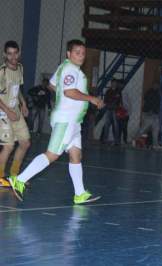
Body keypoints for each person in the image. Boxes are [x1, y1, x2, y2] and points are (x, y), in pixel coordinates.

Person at [8, 39, 104, 204]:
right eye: (77, 52)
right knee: (52, 154)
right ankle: (20, 180)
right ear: (69, 54)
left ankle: (80, 194)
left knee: (76, 155)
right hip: (66, 120)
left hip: (74, 122)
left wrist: (63, 91)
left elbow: (52, 85)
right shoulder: (70, 69)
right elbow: (69, 92)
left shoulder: (65, 68)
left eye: (83, 53)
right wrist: (92, 99)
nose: (81, 56)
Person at [0, 40, 31, 187]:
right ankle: (0, 177)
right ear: (5, 55)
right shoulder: (2, 72)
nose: (13, 57)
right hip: (3, 114)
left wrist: (23, 104)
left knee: (25, 143)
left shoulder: (20, 67)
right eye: (9, 54)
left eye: (15, 53)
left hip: (16, 112)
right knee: (8, 146)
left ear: (19, 53)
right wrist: (7, 111)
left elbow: (17, 89)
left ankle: (13, 175)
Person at [133, 83, 161, 149]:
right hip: (148, 113)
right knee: (144, 128)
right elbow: (148, 102)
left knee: (156, 129)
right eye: (155, 85)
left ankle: (155, 144)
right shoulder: (150, 92)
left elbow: (156, 104)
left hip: (154, 113)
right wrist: (149, 110)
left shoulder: (157, 93)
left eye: (157, 85)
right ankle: (134, 139)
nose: (156, 86)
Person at [101, 78, 121, 145]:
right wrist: (114, 99)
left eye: (115, 83)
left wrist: (115, 101)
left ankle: (117, 141)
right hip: (109, 109)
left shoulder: (118, 91)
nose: (114, 84)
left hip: (115, 109)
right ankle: (105, 140)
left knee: (116, 126)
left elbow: (119, 101)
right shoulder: (108, 91)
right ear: (111, 83)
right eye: (113, 83)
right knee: (107, 125)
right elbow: (106, 100)